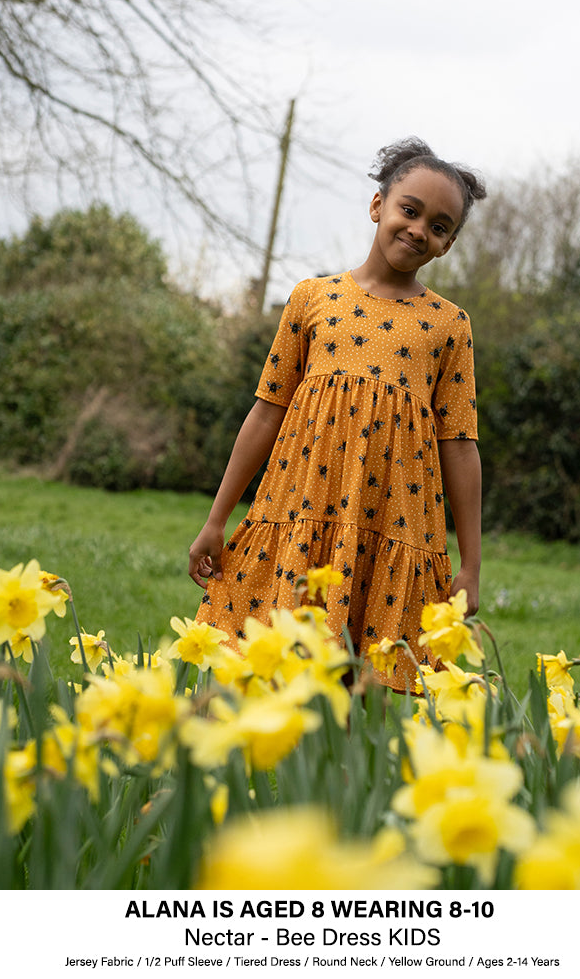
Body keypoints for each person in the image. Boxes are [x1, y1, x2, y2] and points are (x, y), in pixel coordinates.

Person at [189, 136, 486, 692]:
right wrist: (215, 519)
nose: (420, 229)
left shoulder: (449, 327)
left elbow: (460, 444)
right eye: (410, 210)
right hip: (302, 508)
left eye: (440, 226)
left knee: (360, 686)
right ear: (378, 206)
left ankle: (337, 776)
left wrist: (468, 563)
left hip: (391, 521)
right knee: (266, 667)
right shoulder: (312, 299)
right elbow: (264, 413)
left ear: (447, 244)